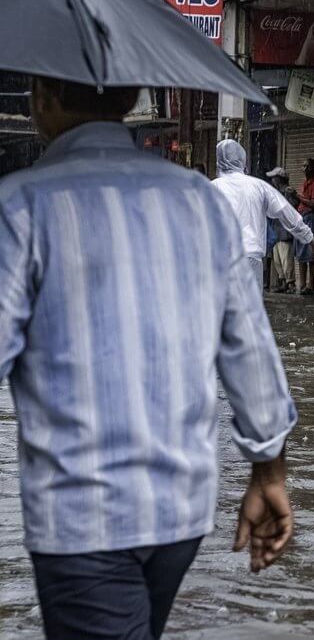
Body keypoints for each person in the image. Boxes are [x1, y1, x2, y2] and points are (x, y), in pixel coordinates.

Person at [0, 77, 297, 638]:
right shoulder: (197, 202)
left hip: (81, 514)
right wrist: (269, 469)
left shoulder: (22, 206)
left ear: (43, 98)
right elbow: (249, 346)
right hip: (180, 512)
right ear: (132, 97)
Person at [213, 141, 314, 290]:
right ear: (243, 160)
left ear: (218, 161)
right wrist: (313, 242)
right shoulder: (259, 187)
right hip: (250, 258)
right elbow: (288, 215)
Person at [295, 158, 314, 295]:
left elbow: (313, 204)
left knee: (311, 252)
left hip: (310, 218)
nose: (304, 169)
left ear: (313, 168)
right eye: (303, 166)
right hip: (302, 218)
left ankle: (311, 285)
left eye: (307, 166)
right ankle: (302, 285)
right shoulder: (304, 183)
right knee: (301, 253)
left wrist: (297, 196)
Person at [267, 167, 298, 293]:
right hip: (276, 230)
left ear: (279, 179)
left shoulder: (288, 191)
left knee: (286, 259)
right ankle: (284, 282)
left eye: (274, 178)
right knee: (278, 259)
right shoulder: (276, 192)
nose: (272, 180)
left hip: (284, 230)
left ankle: (291, 284)